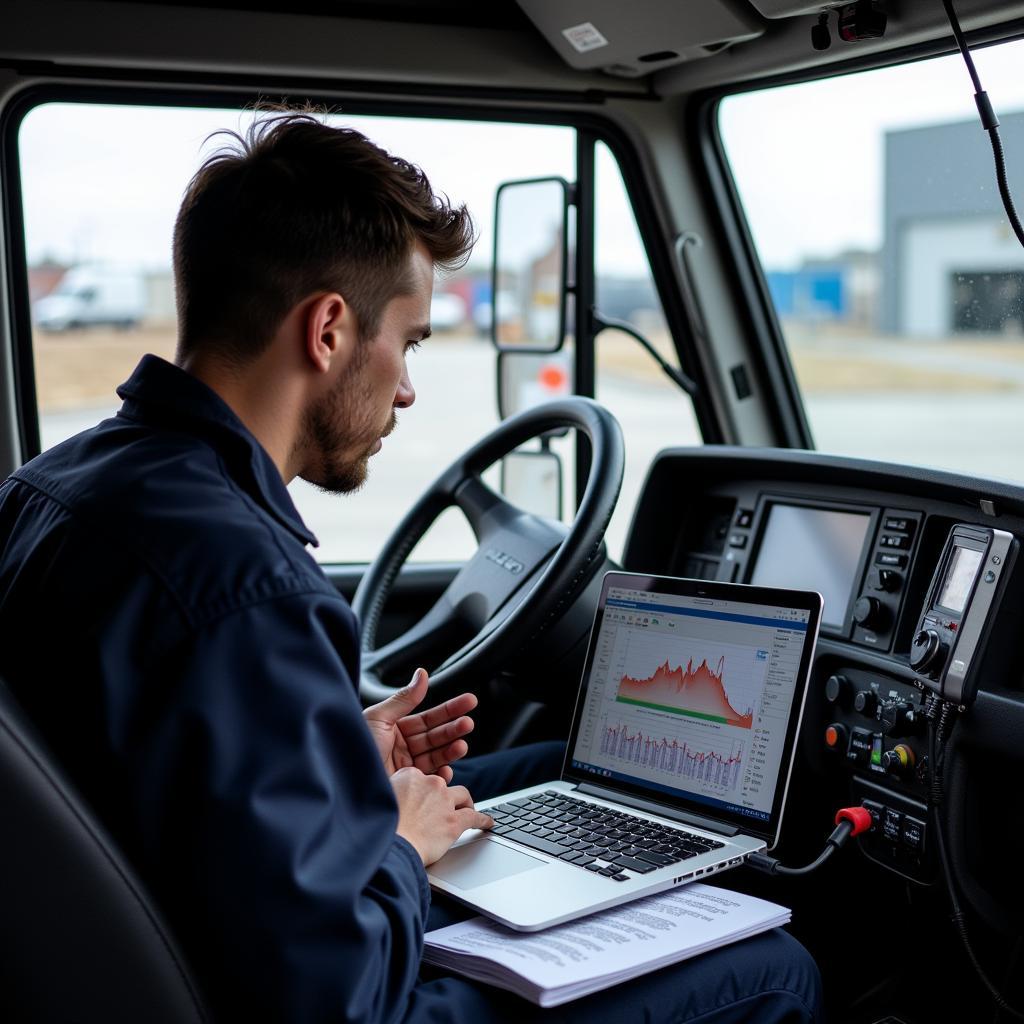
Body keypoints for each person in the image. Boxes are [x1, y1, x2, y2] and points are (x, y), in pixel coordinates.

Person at [0, 112, 822, 1023]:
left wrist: (333, 753)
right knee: (774, 966)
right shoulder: (252, 591)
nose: (407, 387)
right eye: (412, 341)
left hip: (156, 936)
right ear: (327, 331)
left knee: (556, 762)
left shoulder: (52, 488)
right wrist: (394, 841)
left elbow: (154, 758)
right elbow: (340, 1001)